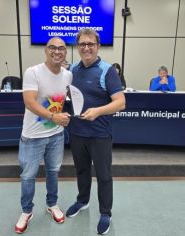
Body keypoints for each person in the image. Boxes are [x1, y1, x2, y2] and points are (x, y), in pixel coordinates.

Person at [66, 29, 126, 235]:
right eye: (82, 44)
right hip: (77, 132)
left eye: (90, 44)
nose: (86, 48)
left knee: (103, 175)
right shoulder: (72, 69)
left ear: (97, 46)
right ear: (78, 47)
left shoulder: (107, 70)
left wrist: (98, 111)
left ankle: (105, 212)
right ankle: (82, 201)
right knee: (81, 170)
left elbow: (121, 103)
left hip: (100, 134)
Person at [15, 37, 72, 234]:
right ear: (45, 50)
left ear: (66, 52)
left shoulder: (68, 75)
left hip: (56, 135)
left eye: (62, 48)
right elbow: (30, 102)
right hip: (32, 136)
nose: (57, 51)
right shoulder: (33, 72)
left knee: (53, 172)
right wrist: (53, 116)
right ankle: (26, 211)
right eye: (53, 48)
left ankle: (52, 204)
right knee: (28, 176)